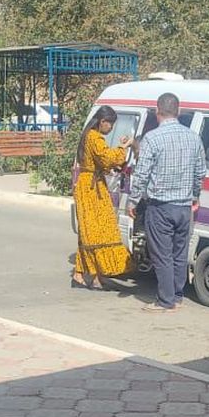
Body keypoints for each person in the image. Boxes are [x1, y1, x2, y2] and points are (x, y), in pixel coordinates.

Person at [127, 93, 206, 313]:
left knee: (162, 254)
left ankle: (165, 300)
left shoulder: (152, 138)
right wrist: (195, 195)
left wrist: (133, 201)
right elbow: (200, 172)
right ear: (178, 111)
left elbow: (142, 174)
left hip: (160, 207)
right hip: (184, 207)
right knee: (179, 254)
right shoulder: (193, 138)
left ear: (157, 111)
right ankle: (177, 296)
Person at [73, 105, 134, 290]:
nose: (111, 128)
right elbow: (107, 159)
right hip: (91, 188)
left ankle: (90, 274)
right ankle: (90, 274)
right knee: (97, 231)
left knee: (90, 231)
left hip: (92, 184)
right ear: (103, 122)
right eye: (111, 124)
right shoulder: (95, 137)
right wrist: (123, 147)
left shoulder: (90, 136)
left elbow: (103, 162)